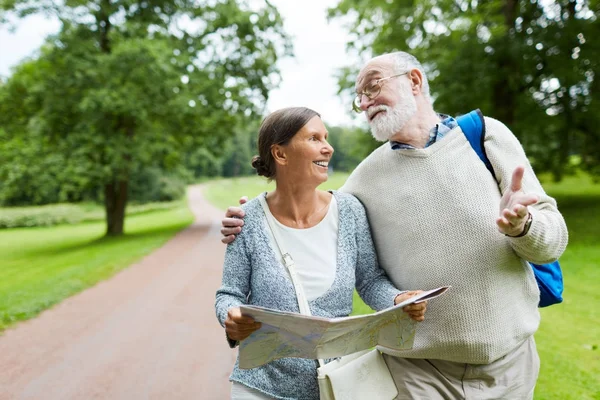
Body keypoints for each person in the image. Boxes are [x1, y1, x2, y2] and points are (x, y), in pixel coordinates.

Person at [220, 52, 569, 399]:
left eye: (372, 88)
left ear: (414, 81)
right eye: (360, 97)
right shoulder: (363, 182)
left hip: (512, 366)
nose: (365, 102)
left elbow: (552, 244)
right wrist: (248, 219)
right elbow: (309, 211)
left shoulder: (487, 137)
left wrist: (523, 226)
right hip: (417, 372)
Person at [214, 106, 427, 400]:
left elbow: (369, 280)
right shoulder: (246, 220)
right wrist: (230, 316)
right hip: (260, 387)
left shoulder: (350, 211)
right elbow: (229, 293)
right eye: (314, 138)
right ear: (280, 154)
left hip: (336, 386)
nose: (328, 147)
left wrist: (397, 299)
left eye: (326, 137)